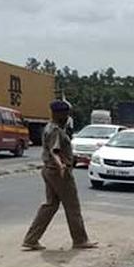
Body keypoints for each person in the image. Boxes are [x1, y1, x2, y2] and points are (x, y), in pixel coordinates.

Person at [21, 100, 98, 251]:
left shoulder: (50, 128)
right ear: (58, 114)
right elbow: (54, 151)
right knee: (72, 206)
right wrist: (61, 165)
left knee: (50, 205)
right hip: (59, 173)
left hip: (49, 171)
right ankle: (80, 240)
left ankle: (31, 239)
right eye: (65, 113)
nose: (67, 116)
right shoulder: (55, 130)